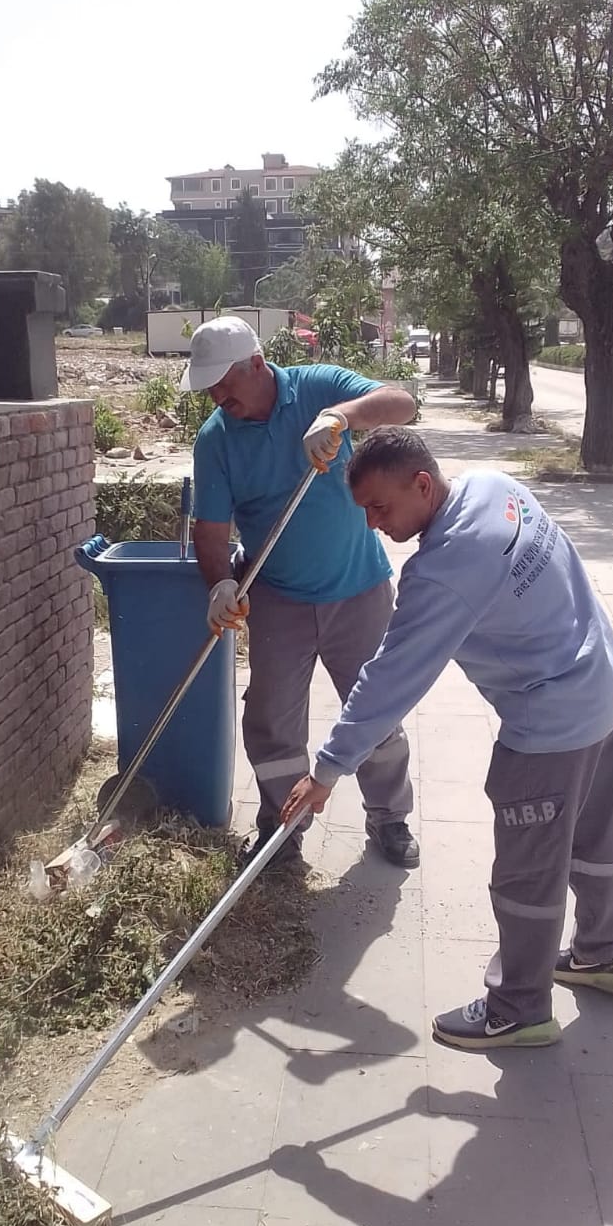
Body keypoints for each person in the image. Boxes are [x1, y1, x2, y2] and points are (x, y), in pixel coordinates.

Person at [282, 427, 613, 1051]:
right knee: (596, 836)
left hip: (553, 726)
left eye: (381, 508)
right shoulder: (495, 486)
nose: (372, 524)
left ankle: (519, 1008)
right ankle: (604, 952)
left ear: (422, 485)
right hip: (608, 687)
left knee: (527, 872)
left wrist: (328, 769)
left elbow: (391, 677)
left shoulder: (443, 569)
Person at [181, 316, 420, 869]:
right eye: (210, 386)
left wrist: (340, 416)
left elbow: (401, 403)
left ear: (258, 365)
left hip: (358, 590)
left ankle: (390, 817)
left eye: (224, 383)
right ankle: (281, 828)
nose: (217, 396)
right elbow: (211, 532)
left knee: (375, 712)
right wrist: (218, 581)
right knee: (271, 720)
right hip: (279, 599)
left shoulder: (318, 386)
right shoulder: (216, 439)